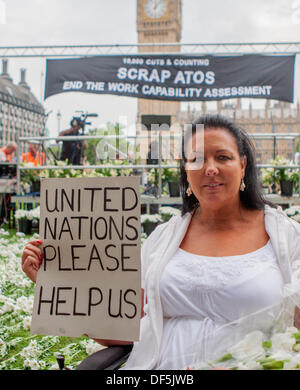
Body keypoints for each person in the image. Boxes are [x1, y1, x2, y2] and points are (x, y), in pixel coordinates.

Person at [21, 114, 300, 370]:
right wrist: (56, 283)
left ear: (243, 165)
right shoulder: (163, 239)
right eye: (197, 158)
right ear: (185, 169)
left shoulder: (286, 238)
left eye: (223, 157)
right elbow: (119, 329)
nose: (210, 168)